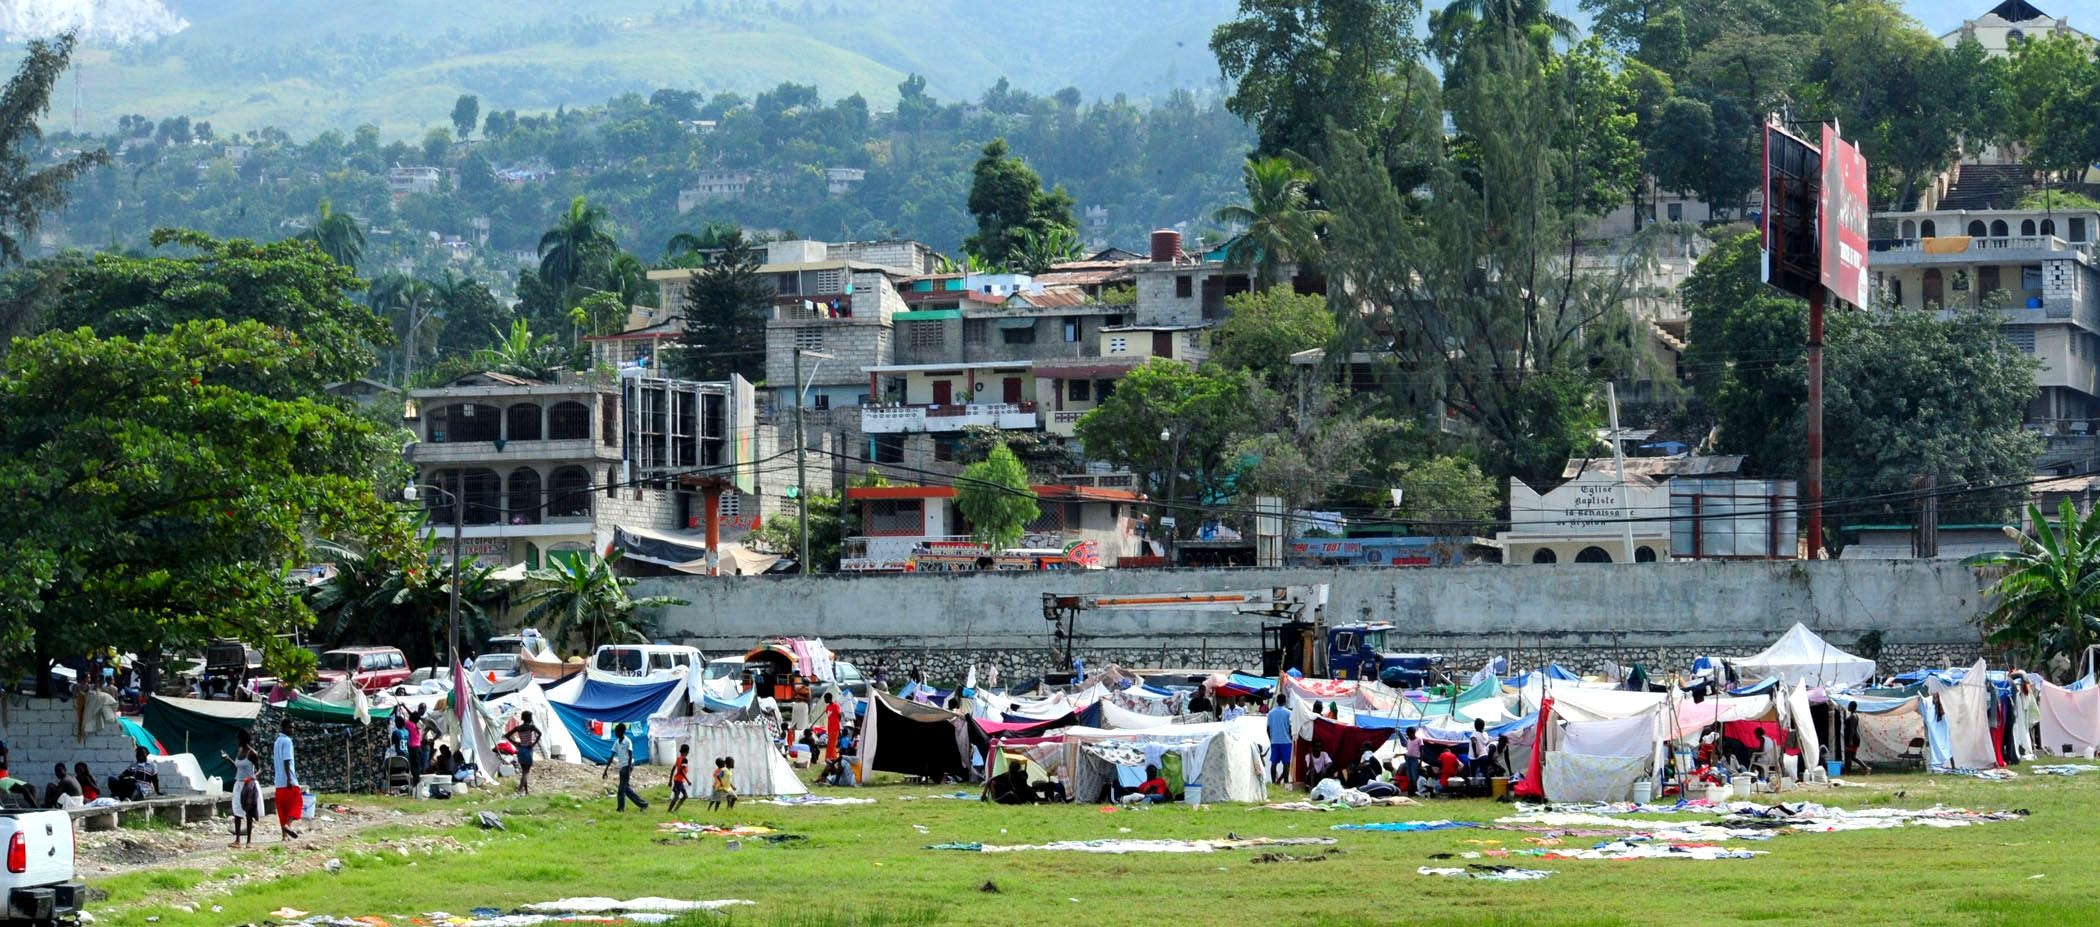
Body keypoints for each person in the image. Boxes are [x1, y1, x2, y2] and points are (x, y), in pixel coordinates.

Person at [222, 730, 261, 848]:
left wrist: (253, 777)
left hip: (248, 785)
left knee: (249, 812)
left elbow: (259, 769)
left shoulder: (252, 753)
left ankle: (249, 841)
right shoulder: (239, 751)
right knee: (237, 812)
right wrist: (228, 759)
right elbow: (238, 767)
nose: (236, 741)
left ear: (243, 739)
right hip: (238, 784)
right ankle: (237, 840)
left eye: (238, 739)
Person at [604, 722, 648, 812]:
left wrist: (628, 771)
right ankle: (643, 804)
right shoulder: (617, 742)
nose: (615, 733)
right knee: (626, 788)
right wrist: (605, 770)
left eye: (617, 731)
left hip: (628, 765)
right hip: (622, 766)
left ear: (622, 732)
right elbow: (611, 756)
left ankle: (620, 809)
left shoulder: (627, 741)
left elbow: (630, 755)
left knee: (621, 789)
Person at [272, 717, 301, 841]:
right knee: (297, 802)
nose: (292, 729)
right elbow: (287, 761)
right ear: (284, 728)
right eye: (290, 727)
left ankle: (284, 836)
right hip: (288, 780)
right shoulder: (288, 741)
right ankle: (287, 825)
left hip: (279, 782)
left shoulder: (277, 741)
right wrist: (289, 779)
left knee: (282, 809)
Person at [505, 711, 541, 795]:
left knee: (524, 772)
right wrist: (534, 743)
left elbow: (507, 736)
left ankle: (526, 792)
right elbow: (540, 734)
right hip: (528, 750)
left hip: (520, 750)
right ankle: (520, 789)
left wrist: (515, 743)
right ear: (529, 718)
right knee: (526, 772)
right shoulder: (531, 727)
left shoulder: (518, 728)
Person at [1266, 700, 1293, 784]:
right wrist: (1291, 738)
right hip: (1286, 741)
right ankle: (1285, 782)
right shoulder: (1288, 712)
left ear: (1277, 701)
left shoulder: (1270, 713)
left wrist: (1271, 739)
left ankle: (1274, 782)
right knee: (1286, 763)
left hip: (1274, 741)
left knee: (1274, 763)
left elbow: (1267, 728)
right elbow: (1290, 727)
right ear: (1285, 702)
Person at [667, 744, 692, 814]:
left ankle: (675, 810)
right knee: (677, 796)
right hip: (679, 780)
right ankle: (669, 811)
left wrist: (670, 781)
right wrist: (688, 781)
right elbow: (681, 771)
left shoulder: (678, 758)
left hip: (677, 780)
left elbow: (673, 770)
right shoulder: (684, 760)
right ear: (687, 751)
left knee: (685, 796)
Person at [1401, 727, 1424, 795]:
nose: (1408, 735)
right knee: (1409, 775)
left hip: (1414, 759)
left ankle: (1415, 790)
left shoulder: (1419, 740)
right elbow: (1408, 749)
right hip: (1408, 759)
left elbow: (1422, 751)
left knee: (1414, 775)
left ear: (1413, 733)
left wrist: (1420, 762)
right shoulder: (1408, 740)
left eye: (1409, 734)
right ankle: (1411, 791)